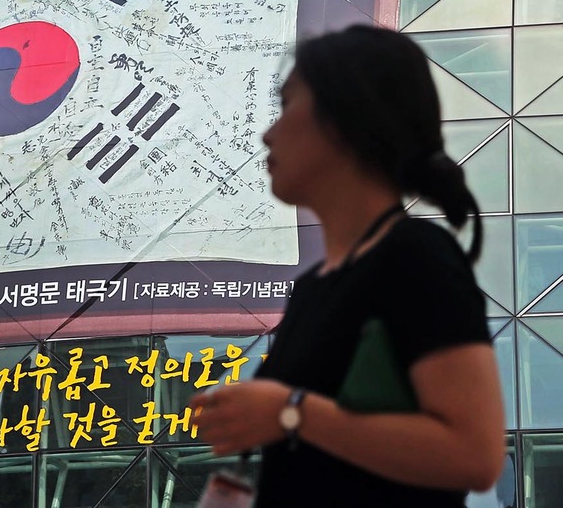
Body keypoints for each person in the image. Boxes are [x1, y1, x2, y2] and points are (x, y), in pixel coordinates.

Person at [190, 25, 505, 507]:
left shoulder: (415, 256)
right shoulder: (314, 288)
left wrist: (291, 413)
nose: (267, 133)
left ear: (344, 118)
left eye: (287, 104)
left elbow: (475, 455)